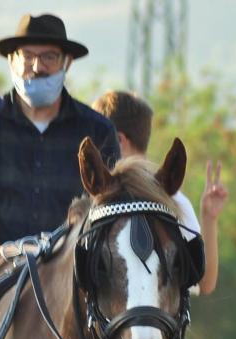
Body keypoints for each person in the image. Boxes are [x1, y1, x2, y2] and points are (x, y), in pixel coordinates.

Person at [0, 13, 120, 248]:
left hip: (72, 271)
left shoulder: (97, 131)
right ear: (11, 60)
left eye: (49, 56)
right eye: (27, 56)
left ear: (67, 62)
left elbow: (112, 201)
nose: (37, 67)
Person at [92, 90, 228, 295]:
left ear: (119, 141)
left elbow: (203, 282)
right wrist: (209, 219)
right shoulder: (174, 200)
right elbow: (206, 283)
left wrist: (209, 218)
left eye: (97, 140)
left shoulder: (170, 201)